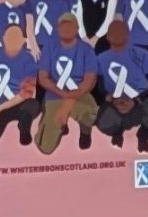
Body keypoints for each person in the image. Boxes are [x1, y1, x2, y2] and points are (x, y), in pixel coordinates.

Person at [34, 11, 101, 155]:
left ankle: (85, 130)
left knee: (94, 116)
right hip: (55, 94)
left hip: (80, 93)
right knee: (44, 147)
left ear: (77, 28)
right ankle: (57, 123)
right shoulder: (50, 47)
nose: (66, 29)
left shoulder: (86, 50)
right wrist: (62, 94)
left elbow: (89, 80)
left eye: (70, 26)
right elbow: (43, 78)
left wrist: (69, 102)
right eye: (63, 26)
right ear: (58, 29)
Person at [0, 24, 45, 155]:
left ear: (24, 41)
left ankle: (24, 128)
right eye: (10, 36)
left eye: (17, 37)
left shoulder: (28, 59)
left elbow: (26, 93)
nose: (13, 40)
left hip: (17, 105)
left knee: (33, 105)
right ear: (3, 38)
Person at [96, 31, 148, 151]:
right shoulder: (103, 44)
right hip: (113, 100)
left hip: (140, 98)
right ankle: (117, 134)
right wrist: (108, 98)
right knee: (104, 122)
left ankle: (143, 137)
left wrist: (136, 98)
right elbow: (95, 80)